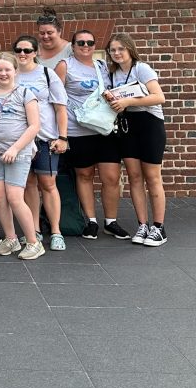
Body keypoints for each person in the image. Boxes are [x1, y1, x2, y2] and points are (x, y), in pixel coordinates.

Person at [56, 30, 128, 240]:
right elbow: (57, 99)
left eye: (90, 42)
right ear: (73, 45)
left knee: (111, 177)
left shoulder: (102, 66)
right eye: (81, 42)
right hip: (77, 130)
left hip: (104, 129)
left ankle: (111, 221)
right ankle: (92, 221)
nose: (86, 46)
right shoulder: (65, 65)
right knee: (85, 175)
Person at [0, 53, 44, 260]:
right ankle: (11, 237)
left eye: (7, 70)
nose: (3, 73)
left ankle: (33, 242)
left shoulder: (25, 93)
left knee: (15, 198)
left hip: (17, 154)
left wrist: (15, 148)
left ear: (15, 71)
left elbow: (34, 126)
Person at [104, 33, 167, 246]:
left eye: (120, 48)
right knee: (134, 176)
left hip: (149, 124)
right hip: (127, 125)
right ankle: (143, 224)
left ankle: (159, 228)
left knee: (152, 176)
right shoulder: (111, 73)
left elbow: (159, 97)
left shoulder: (141, 68)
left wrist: (128, 101)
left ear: (130, 49)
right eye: (112, 50)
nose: (117, 53)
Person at [14, 34, 69, 251]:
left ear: (35, 53)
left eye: (27, 50)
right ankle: (33, 229)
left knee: (48, 184)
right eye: (19, 50)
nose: (23, 54)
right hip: (21, 140)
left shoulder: (47, 74)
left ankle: (56, 231)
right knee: (28, 184)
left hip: (46, 137)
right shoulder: (12, 75)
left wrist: (62, 137)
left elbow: (60, 107)